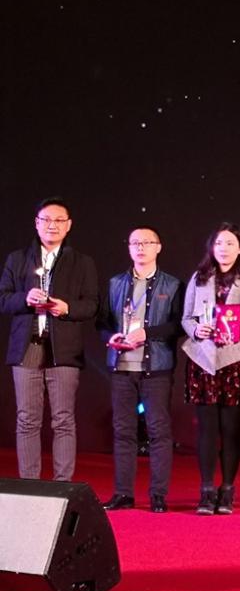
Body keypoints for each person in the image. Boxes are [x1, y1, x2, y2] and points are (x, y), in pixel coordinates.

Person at [0, 197, 98, 481]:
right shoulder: (18, 259)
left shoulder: (82, 263)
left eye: (58, 220)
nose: (52, 225)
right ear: (36, 223)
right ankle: (30, 484)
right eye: (46, 220)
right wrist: (25, 298)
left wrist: (66, 308)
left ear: (68, 225)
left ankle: (62, 485)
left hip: (64, 350)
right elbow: (3, 299)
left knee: (63, 419)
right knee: (27, 419)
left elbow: (92, 305)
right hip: (27, 347)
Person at [97, 227, 183, 512]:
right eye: (135, 242)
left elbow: (178, 325)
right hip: (121, 366)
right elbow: (102, 321)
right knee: (123, 431)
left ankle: (158, 494)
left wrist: (148, 333)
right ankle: (123, 493)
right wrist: (110, 337)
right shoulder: (115, 283)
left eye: (147, 242)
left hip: (156, 367)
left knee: (158, 430)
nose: (141, 247)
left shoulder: (172, 284)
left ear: (159, 247)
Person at [181, 222, 240, 515]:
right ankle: (206, 490)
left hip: (235, 359)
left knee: (231, 429)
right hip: (203, 359)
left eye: (230, 243)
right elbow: (186, 318)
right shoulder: (200, 277)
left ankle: (227, 490)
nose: (224, 249)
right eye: (218, 243)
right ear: (211, 248)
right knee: (206, 429)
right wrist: (197, 330)